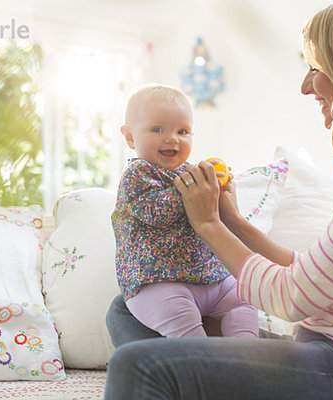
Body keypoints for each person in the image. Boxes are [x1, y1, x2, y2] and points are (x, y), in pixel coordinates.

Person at [103, 0, 333, 399]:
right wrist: (234, 223)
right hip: (332, 347)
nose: (306, 85)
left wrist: (208, 225)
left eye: (315, 68)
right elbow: (312, 276)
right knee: (128, 307)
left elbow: (291, 297)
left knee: (138, 364)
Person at [111, 83, 259, 339]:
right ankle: (199, 360)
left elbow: (215, 220)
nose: (172, 138)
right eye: (158, 129)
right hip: (159, 282)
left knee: (243, 298)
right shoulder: (138, 174)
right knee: (181, 317)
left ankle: (247, 352)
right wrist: (193, 189)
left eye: (183, 131)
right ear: (130, 137)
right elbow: (155, 213)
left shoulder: (188, 172)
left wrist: (219, 192)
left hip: (211, 277)